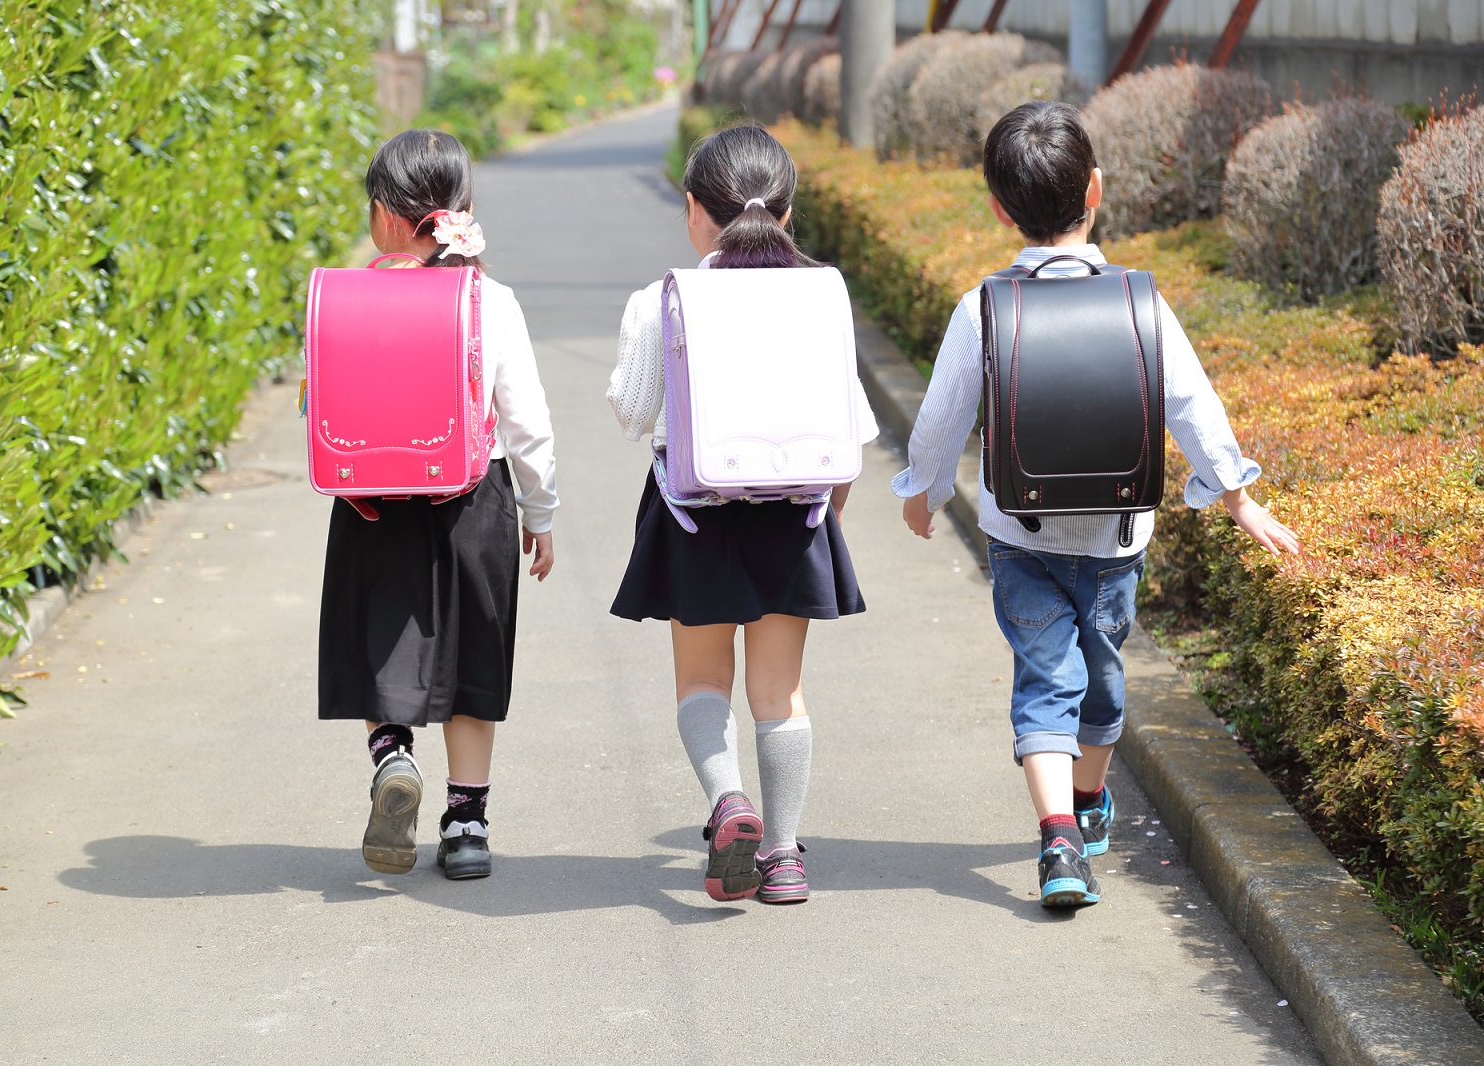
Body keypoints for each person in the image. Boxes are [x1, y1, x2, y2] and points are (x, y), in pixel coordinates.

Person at [895, 101, 1300, 908]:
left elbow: (942, 416)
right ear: (1096, 190)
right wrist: (1237, 498)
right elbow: (1193, 405)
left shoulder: (984, 307)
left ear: (998, 209)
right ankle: (1075, 817)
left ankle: (1065, 828)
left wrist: (924, 492)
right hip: (1116, 541)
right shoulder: (1139, 301)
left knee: (1046, 681)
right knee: (1101, 685)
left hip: (1020, 534)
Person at [606, 125, 879, 905]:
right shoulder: (820, 294)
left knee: (701, 679)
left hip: (694, 513)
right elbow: (853, 432)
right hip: (793, 518)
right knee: (779, 692)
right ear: (786, 211)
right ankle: (784, 856)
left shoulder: (661, 300)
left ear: (695, 210)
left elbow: (633, 412)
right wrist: (829, 515)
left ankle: (729, 801)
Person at [318, 129, 558, 881]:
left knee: (381, 644)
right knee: (473, 659)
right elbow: (527, 421)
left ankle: (392, 754)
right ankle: (467, 824)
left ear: (387, 216)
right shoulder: (491, 300)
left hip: (373, 502)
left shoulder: (345, 297)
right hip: (474, 499)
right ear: (463, 208)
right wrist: (541, 514)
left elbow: (323, 403)